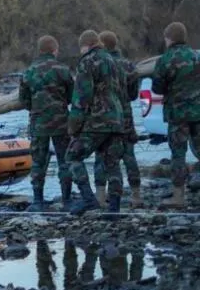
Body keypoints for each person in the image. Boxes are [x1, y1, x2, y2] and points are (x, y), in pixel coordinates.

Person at [66, 30, 126, 215]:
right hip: (116, 118)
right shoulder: (114, 61)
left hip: (97, 120)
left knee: (72, 157)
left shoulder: (87, 62)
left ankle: (88, 199)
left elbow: (82, 97)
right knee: (112, 163)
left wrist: (74, 126)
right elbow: (123, 91)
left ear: (85, 45)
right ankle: (114, 208)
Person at [18, 35, 74, 212]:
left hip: (38, 122)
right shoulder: (63, 70)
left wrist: (36, 108)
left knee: (38, 162)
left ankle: (38, 201)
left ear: (39, 50)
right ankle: (66, 200)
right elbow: (71, 96)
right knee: (64, 160)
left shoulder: (29, 72)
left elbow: (23, 100)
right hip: (61, 121)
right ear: (54, 50)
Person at [151, 22, 200, 208]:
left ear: (169, 38)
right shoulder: (196, 56)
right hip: (198, 112)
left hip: (177, 115)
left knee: (178, 155)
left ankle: (179, 197)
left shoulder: (165, 60)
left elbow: (158, 87)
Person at [100, 31, 143, 207]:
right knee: (129, 155)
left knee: (104, 156)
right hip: (126, 114)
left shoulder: (100, 64)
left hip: (104, 116)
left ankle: (102, 197)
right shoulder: (129, 65)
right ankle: (136, 196)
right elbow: (133, 95)